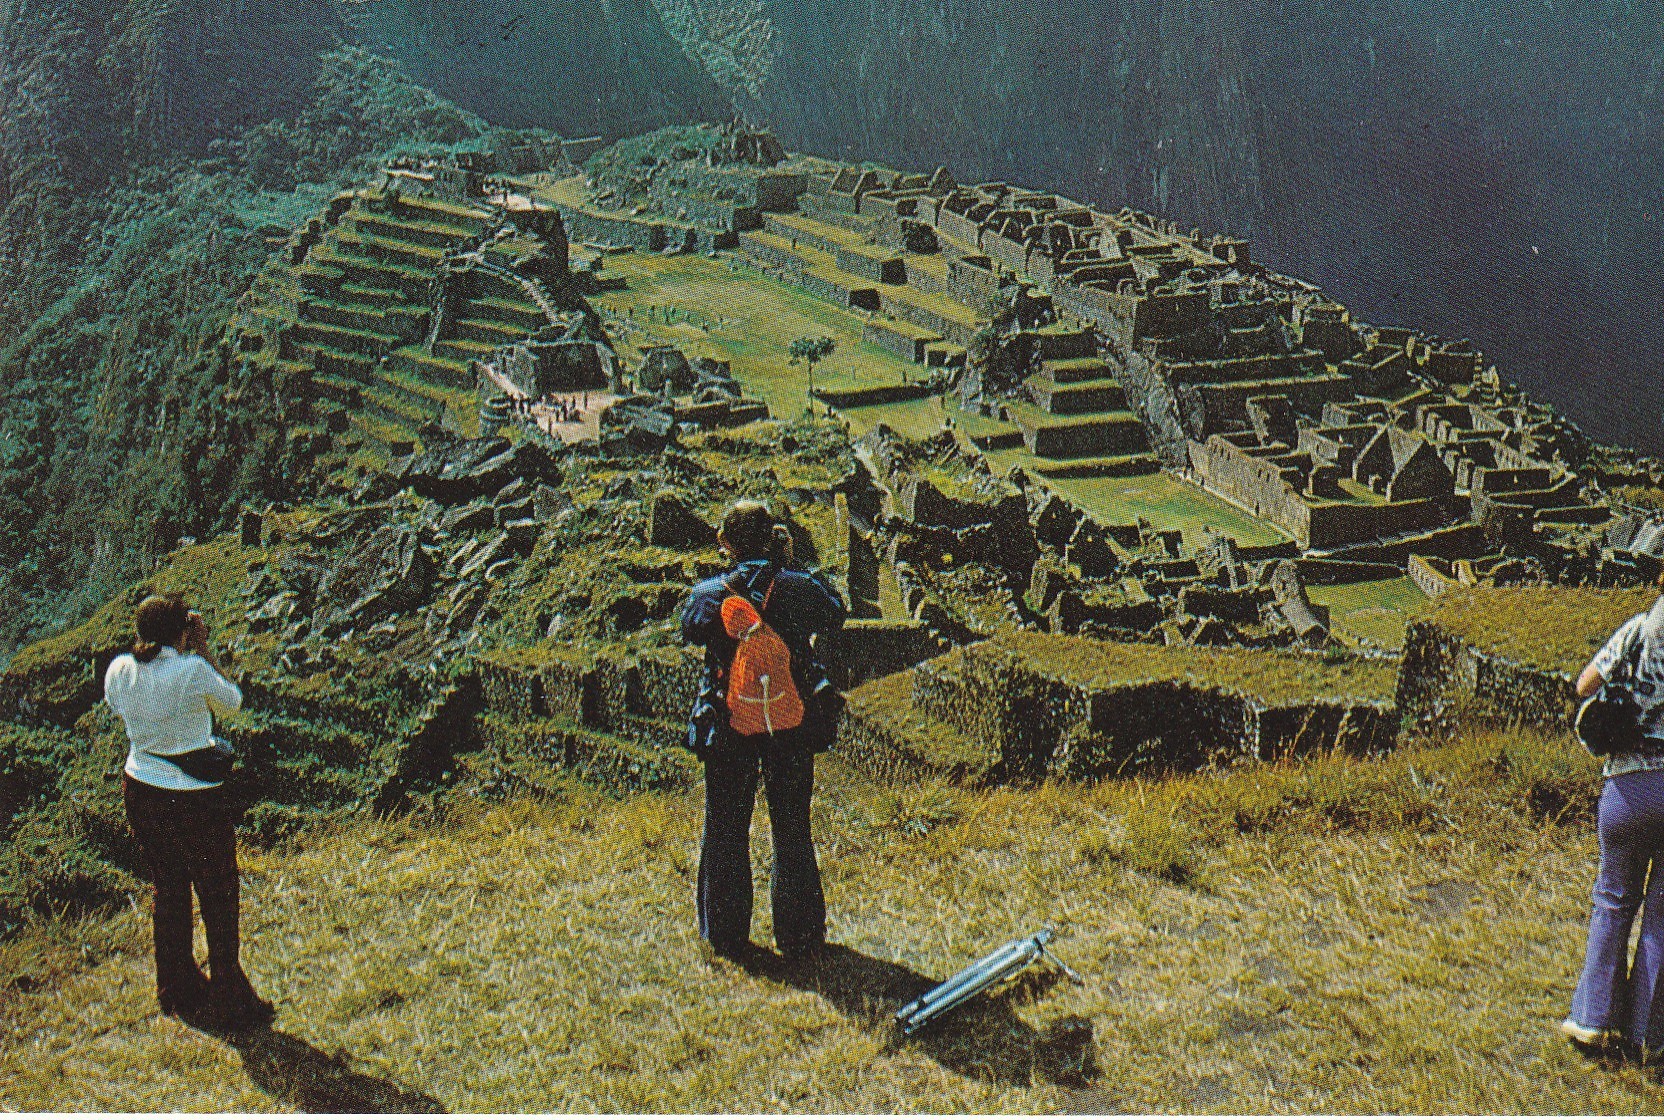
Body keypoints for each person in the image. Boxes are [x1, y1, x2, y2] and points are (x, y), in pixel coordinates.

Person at [680, 501, 846, 960]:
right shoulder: (796, 587)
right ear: (773, 536)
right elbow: (835, 609)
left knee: (726, 827)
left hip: (730, 723)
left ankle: (726, 934)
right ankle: (800, 935)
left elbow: (689, 627)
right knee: (792, 827)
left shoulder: (712, 594)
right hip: (788, 722)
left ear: (727, 542)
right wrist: (789, 565)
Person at [104, 593, 273, 1027]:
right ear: (181, 629)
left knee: (170, 887)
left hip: (141, 786)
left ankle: (176, 986)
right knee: (217, 890)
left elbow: (118, 706)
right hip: (193, 796)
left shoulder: (120, 670)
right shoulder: (193, 670)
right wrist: (202, 649)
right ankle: (230, 995)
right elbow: (233, 701)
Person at [1565, 593, 1664, 1056]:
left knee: (1613, 900)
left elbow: (1584, 684)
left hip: (1628, 784)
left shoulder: (1636, 630)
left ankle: (1593, 1019)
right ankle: (1647, 1035)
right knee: (1661, 916)